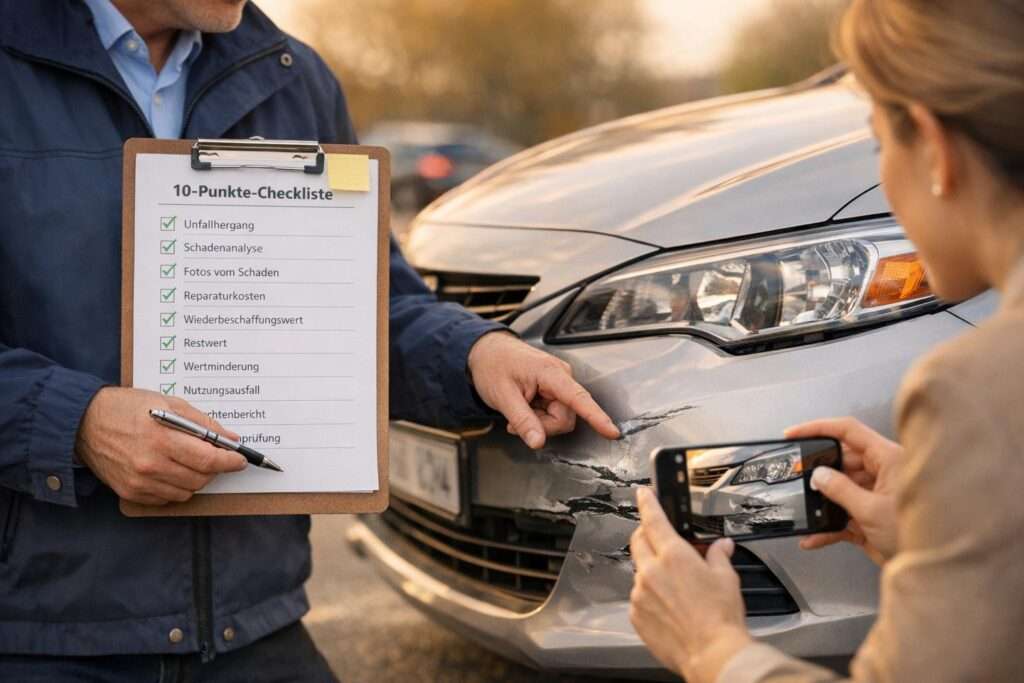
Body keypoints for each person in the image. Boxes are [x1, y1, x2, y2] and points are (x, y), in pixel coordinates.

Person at [0, 0, 619, 679]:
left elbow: (366, 304)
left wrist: (476, 353)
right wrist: (79, 425)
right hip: (38, 636)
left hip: (256, 627)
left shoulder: (293, 79)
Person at [628, 1, 1024, 681]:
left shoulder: (976, 388)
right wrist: (942, 534)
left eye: (880, 143)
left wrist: (711, 649)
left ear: (933, 147)